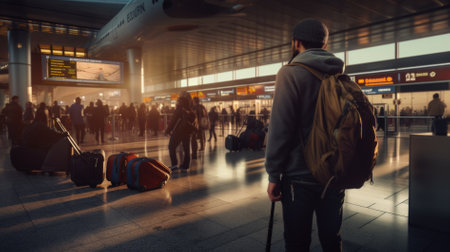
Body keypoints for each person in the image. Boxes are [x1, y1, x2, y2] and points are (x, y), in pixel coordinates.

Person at [265, 19, 345, 251]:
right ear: (324, 43)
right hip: (334, 172)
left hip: (299, 175)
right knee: (332, 239)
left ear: (296, 42)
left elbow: (281, 128)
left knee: (297, 241)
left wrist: (273, 174)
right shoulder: (338, 72)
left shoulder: (290, 73)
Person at [165, 95, 195, 171]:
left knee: (171, 147)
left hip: (178, 132)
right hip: (187, 132)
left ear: (180, 102)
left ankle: (174, 164)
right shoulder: (190, 110)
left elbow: (173, 121)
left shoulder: (179, 109)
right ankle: (186, 166)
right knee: (186, 149)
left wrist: (167, 130)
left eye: (178, 100)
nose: (177, 102)